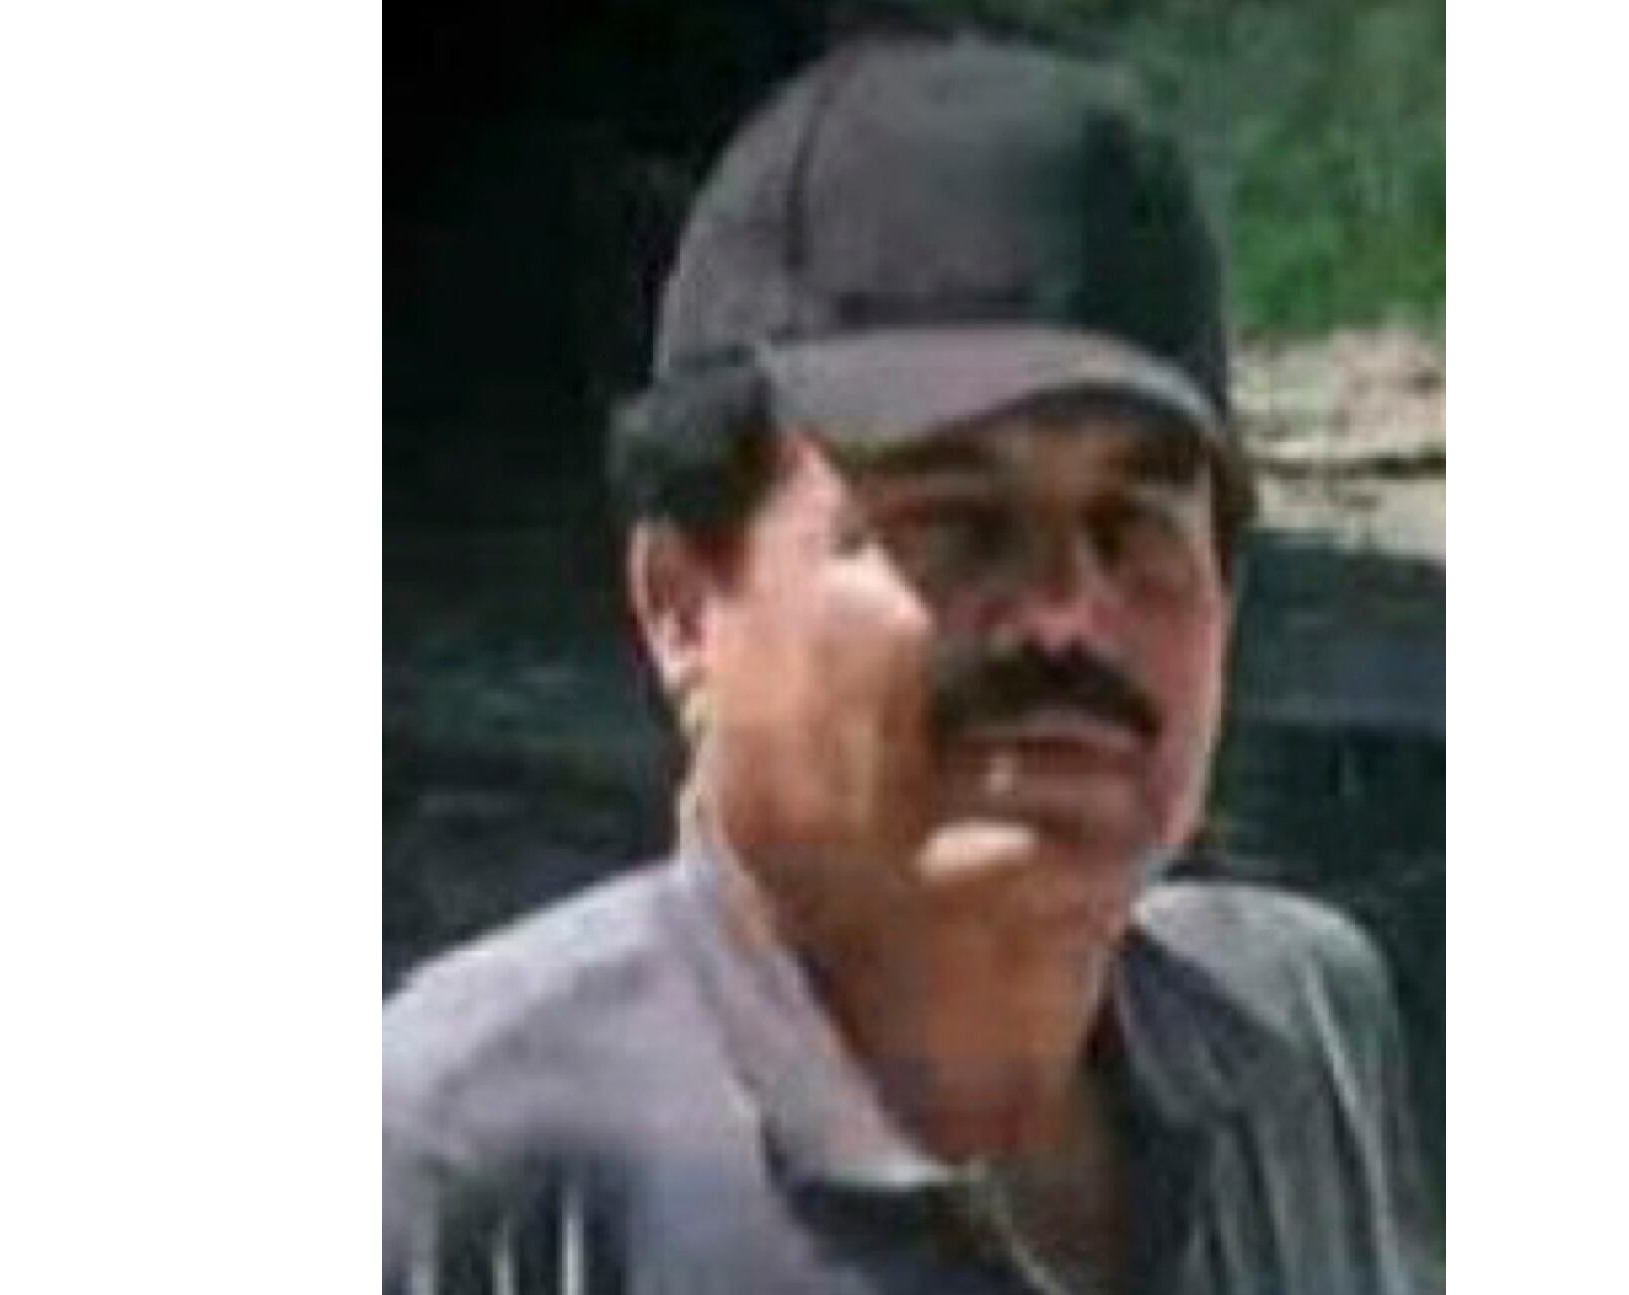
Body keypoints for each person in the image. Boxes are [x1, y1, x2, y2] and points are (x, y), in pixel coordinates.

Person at [384, 27, 1434, 1295]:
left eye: (1134, 525)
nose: (1068, 613)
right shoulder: (464, 1174)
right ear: (682, 605)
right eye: (957, 525)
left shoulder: (1291, 1045)